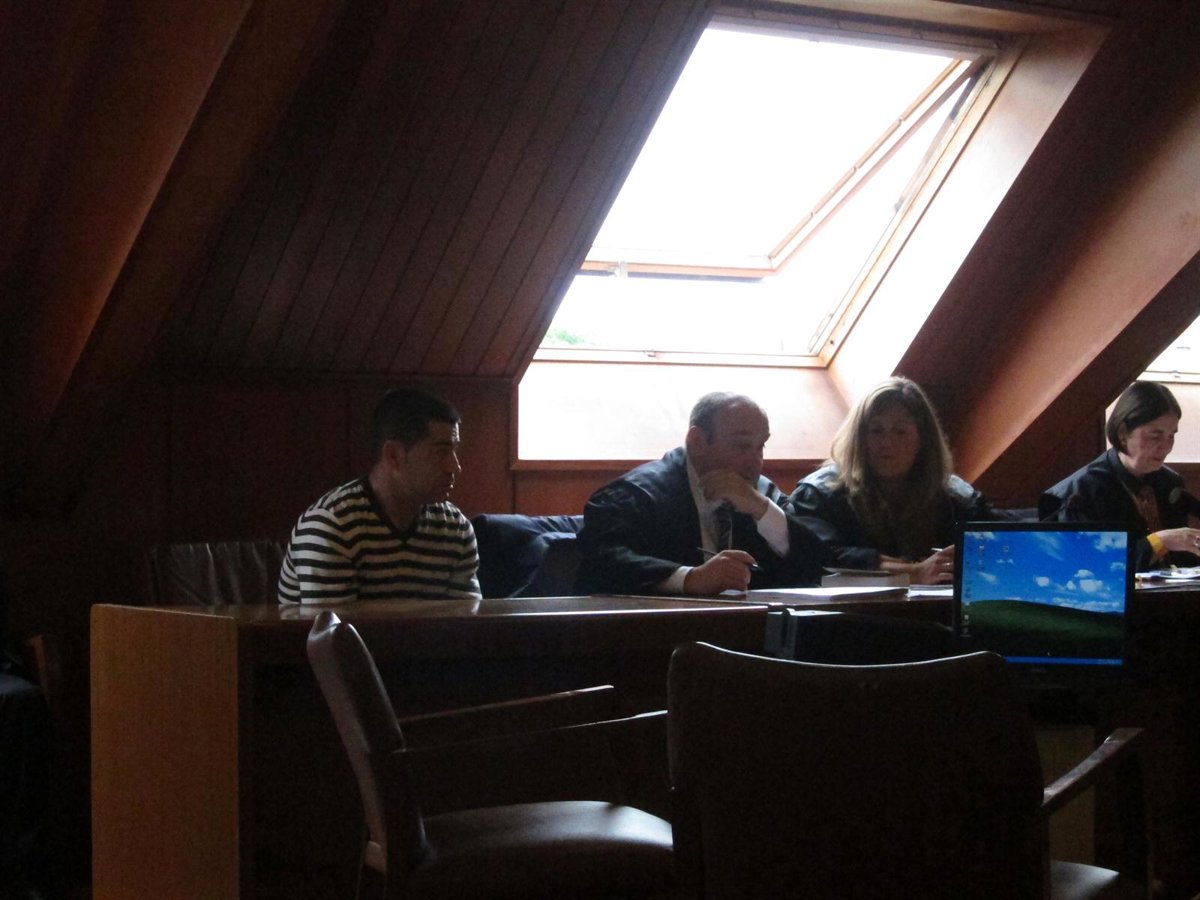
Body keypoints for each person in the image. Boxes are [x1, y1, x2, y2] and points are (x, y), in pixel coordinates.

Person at [574, 392, 826, 596]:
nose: (756, 462)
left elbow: (817, 563)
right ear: (697, 441)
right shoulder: (635, 493)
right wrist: (690, 578)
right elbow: (602, 561)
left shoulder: (762, 494)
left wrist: (762, 509)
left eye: (761, 446)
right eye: (742, 445)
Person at [278, 388, 480, 603]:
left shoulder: (455, 528)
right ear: (394, 456)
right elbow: (333, 626)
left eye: (454, 451)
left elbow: (465, 621)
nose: (455, 467)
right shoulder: (331, 526)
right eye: (440, 452)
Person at [789, 377, 996, 584]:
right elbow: (817, 556)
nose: (886, 443)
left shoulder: (956, 498)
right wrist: (914, 573)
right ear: (859, 438)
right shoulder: (818, 495)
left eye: (900, 432)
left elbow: (992, 542)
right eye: (876, 431)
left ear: (923, 439)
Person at [1040, 380, 1200, 571]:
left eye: (1171, 436)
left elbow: (1183, 561)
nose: (1166, 446)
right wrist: (1160, 541)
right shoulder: (1081, 491)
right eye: (1156, 435)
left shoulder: (1171, 482)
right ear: (1123, 433)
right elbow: (1091, 565)